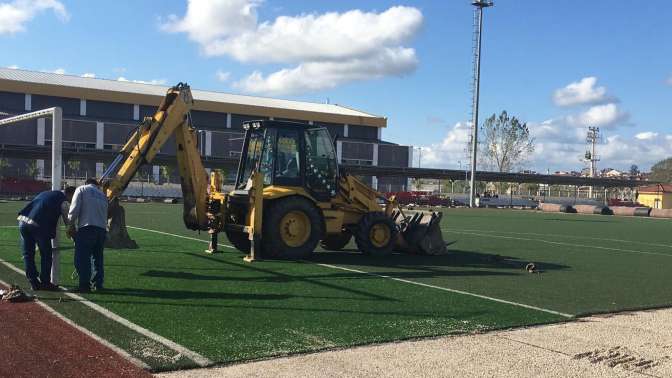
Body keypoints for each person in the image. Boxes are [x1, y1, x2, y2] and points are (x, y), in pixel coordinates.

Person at [17, 186, 76, 290]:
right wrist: (74, 236)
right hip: (38, 225)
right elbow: (68, 222)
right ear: (70, 194)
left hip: (23, 221)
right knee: (46, 254)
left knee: (28, 254)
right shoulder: (63, 201)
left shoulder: (46, 193)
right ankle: (45, 282)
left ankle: (33, 282)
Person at [68, 178, 108, 293]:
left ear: (86, 183)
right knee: (98, 258)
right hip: (101, 230)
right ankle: (98, 284)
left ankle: (84, 285)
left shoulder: (82, 189)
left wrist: (70, 224)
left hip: (87, 227)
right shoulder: (102, 195)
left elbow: (74, 208)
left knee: (82, 258)